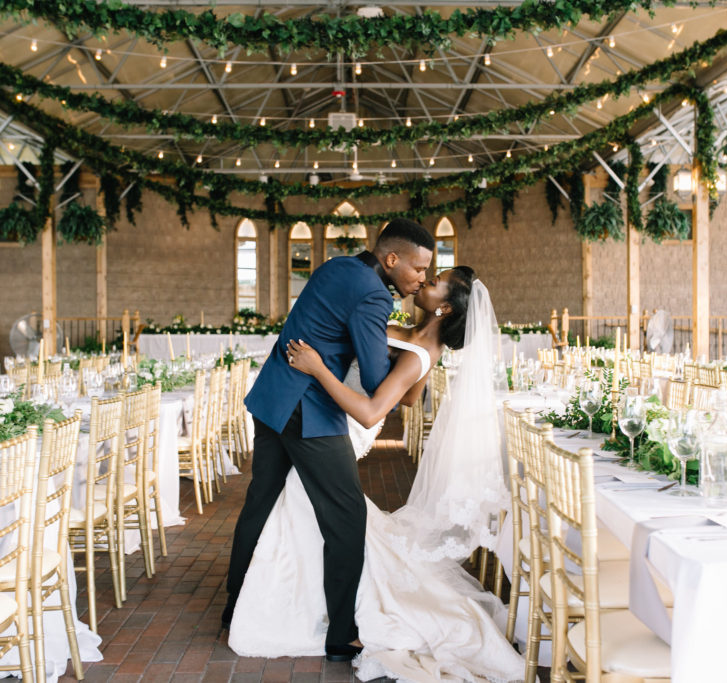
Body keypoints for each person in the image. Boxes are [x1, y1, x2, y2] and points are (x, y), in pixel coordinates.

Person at [227, 267, 524, 682]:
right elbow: (410, 397)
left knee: (318, 511)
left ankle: (305, 610)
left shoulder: (422, 352)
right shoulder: (417, 341)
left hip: (344, 423)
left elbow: (371, 411)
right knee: (297, 507)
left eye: (433, 279)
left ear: (443, 308)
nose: (423, 280)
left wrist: (317, 368)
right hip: (325, 416)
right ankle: (286, 597)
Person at [224, 218, 435, 662]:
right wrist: (414, 358)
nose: (421, 280)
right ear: (391, 259)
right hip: (310, 410)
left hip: (275, 396)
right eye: (418, 270)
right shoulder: (375, 294)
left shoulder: (335, 266)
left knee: (259, 501)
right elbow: (377, 379)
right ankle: (341, 633)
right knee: (347, 515)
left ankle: (234, 604)